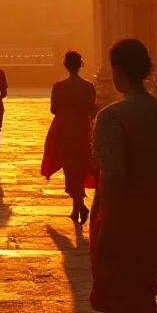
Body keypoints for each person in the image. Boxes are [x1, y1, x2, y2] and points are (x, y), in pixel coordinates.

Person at [90, 39, 157, 313]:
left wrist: (104, 229)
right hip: (155, 211)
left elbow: (113, 178)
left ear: (117, 71)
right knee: (143, 286)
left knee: (128, 294)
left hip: (124, 214)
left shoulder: (112, 116)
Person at [41, 50, 96, 223]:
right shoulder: (88, 86)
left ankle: (79, 207)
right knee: (79, 166)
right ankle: (76, 207)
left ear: (65, 65)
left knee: (70, 167)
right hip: (81, 128)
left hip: (64, 128)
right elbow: (90, 108)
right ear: (80, 65)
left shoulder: (59, 86)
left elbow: (54, 109)